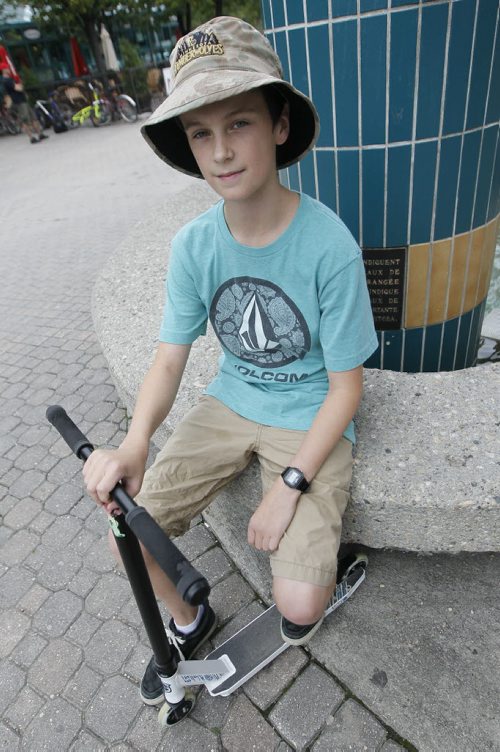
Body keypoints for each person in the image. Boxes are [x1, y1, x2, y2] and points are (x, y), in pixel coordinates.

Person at [82, 16, 378, 706]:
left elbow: (346, 388)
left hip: (310, 414)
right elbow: (167, 359)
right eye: (201, 133)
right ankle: (192, 620)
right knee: (126, 530)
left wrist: (294, 482)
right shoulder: (194, 245)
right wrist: (133, 444)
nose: (220, 152)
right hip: (232, 399)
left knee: (299, 608)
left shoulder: (329, 245)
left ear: (279, 125)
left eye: (239, 124)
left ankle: (320, 571)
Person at [1, 66, 48, 144]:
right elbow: (18, 88)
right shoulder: (6, 80)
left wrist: (20, 84)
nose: (9, 70)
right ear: (4, 70)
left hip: (23, 100)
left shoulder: (10, 79)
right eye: (8, 68)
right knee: (25, 120)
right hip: (19, 102)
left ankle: (40, 134)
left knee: (34, 118)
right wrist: (21, 85)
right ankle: (31, 138)